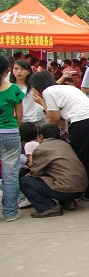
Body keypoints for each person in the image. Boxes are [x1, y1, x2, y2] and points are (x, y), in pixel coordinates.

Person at [30, 71, 89, 201]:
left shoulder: (48, 92)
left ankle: (80, 190)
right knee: (88, 157)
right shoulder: (63, 88)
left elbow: (54, 118)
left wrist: (42, 103)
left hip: (81, 121)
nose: (33, 91)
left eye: (33, 88)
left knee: (77, 158)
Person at [19, 124, 87, 218]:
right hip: (81, 188)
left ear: (41, 136)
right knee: (59, 174)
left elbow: (35, 172)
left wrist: (31, 174)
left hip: (65, 189)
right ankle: (69, 202)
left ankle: (48, 207)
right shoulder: (65, 144)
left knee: (24, 182)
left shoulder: (41, 148)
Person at [0, 55, 25, 222]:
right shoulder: (14, 88)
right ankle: (10, 212)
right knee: (10, 174)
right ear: (7, 71)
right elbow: (20, 115)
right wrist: (15, 128)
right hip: (9, 132)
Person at [10, 59, 47, 128]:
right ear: (12, 71)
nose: (19, 72)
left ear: (28, 71)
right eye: (16, 69)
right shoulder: (8, 87)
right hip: (12, 121)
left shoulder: (33, 87)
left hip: (30, 121)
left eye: (22, 69)